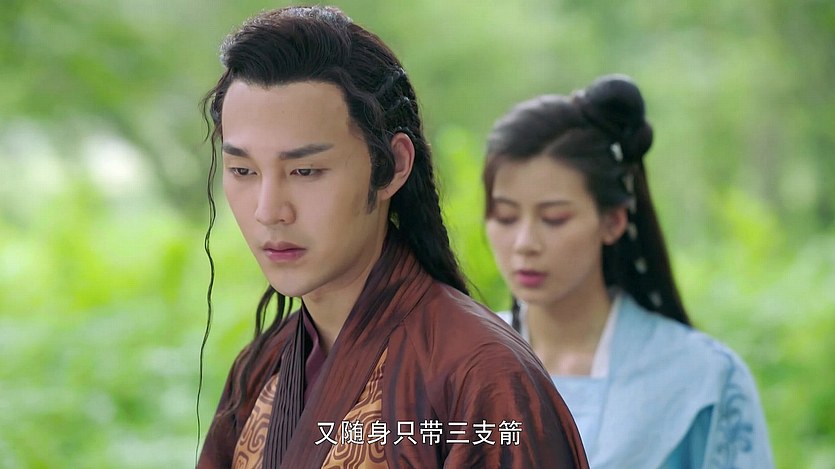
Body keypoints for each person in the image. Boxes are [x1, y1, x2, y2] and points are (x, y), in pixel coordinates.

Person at [197, 6, 588, 469]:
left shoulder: (482, 375)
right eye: (243, 170)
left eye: (306, 170)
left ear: (392, 166)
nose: (268, 211)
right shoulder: (261, 369)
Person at [482, 75, 774, 468]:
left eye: (554, 219)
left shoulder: (704, 379)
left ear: (613, 221)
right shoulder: (458, 362)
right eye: (505, 217)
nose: (524, 243)